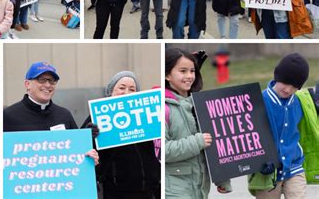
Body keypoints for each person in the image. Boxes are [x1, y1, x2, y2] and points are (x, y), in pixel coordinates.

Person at [82, 71, 161, 199]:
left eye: (132, 89)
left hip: (149, 189)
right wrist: (88, 134)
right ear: (110, 92)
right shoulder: (97, 117)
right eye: (122, 88)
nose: (126, 92)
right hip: (117, 191)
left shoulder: (145, 115)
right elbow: (82, 149)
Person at [165, 48, 231, 198]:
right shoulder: (163, 108)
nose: (189, 76)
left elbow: (215, 144)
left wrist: (223, 178)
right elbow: (163, 150)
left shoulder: (200, 104)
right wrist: (197, 141)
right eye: (183, 71)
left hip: (200, 189)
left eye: (192, 71)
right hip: (173, 190)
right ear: (167, 75)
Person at [253, 53, 309, 198]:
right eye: (286, 82)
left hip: (294, 166)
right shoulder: (258, 101)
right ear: (277, 76)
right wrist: (260, 160)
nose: (288, 90)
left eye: (294, 86)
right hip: (268, 170)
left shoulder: (300, 102)